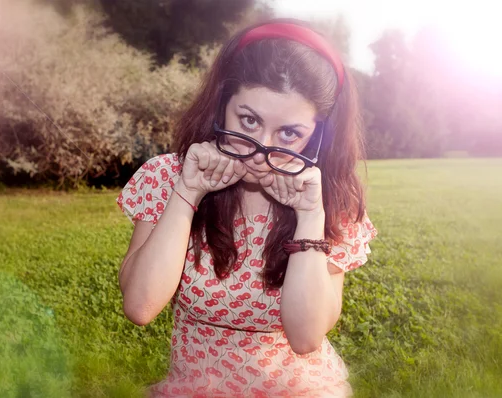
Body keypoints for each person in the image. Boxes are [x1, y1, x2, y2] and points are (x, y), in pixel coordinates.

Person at [117, 18, 378, 398]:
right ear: (222, 104)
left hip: (299, 388)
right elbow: (140, 306)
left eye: (289, 133)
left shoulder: (333, 200)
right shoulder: (167, 176)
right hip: (196, 387)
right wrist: (186, 193)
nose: (261, 148)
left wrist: (310, 216)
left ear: (318, 135)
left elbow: (306, 337)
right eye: (249, 120)